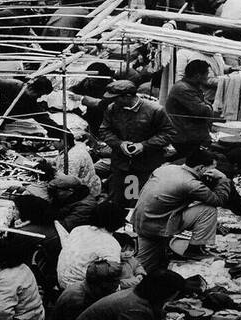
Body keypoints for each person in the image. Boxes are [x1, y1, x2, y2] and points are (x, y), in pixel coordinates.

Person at [130, 147, 231, 271]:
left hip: (141, 220)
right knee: (208, 210)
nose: (214, 172)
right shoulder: (191, 183)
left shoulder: (165, 168)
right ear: (200, 168)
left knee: (146, 261)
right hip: (158, 225)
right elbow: (218, 200)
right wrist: (223, 178)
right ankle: (194, 249)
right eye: (212, 169)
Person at [99, 79, 174, 207]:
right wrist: (119, 143)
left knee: (137, 201)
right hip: (121, 165)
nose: (113, 101)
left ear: (128, 96)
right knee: (118, 200)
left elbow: (168, 134)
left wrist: (144, 145)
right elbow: (104, 130)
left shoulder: (155, 110)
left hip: (144, 166)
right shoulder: (112, 109)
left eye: (116, 98)